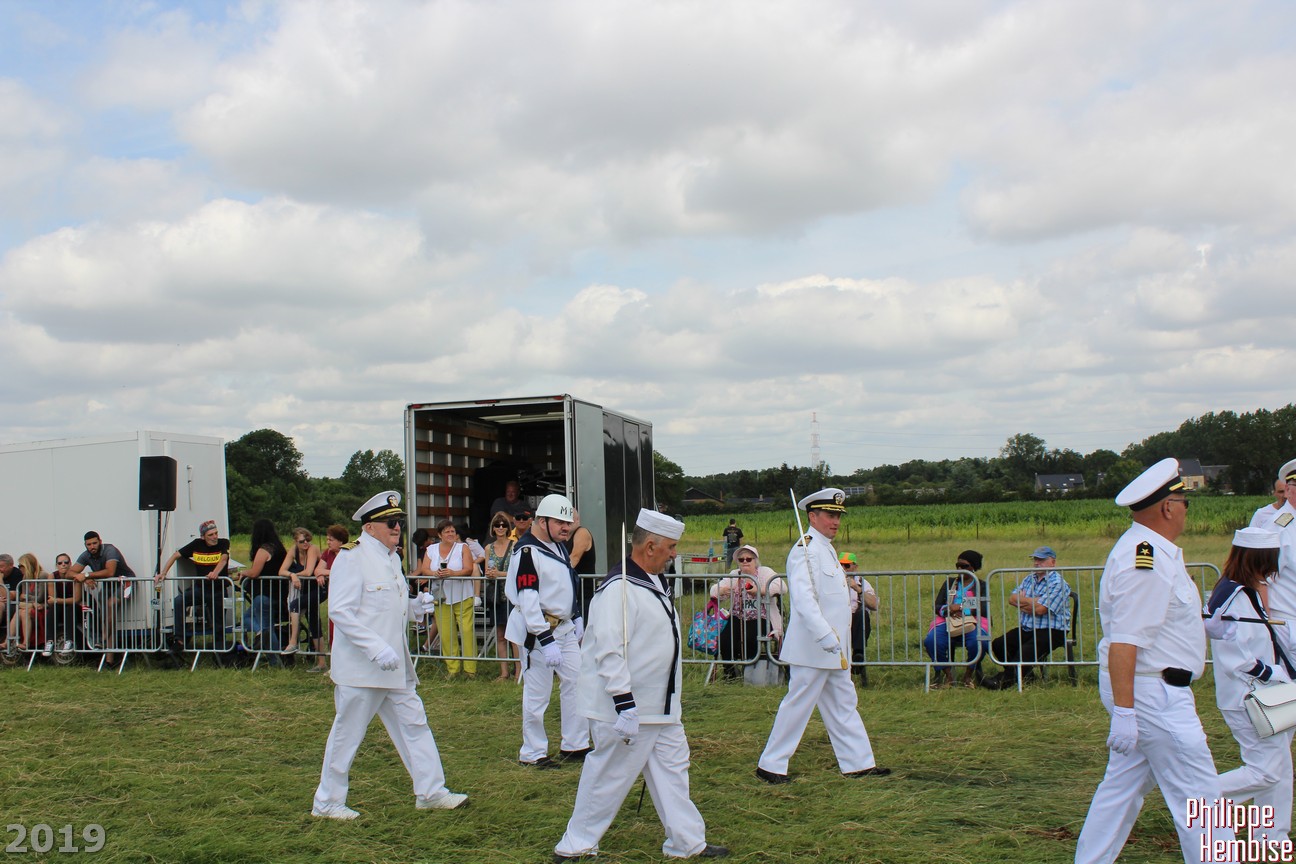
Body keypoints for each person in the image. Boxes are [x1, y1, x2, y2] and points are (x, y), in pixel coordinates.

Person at [1075, 458, 1234, 864]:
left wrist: (1204, 626)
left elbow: (1159, 620)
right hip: (1154, 694)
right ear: (1167, 507)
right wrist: (1125, 712)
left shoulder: (1150, 552)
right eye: (1184, 503)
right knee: (1201, 799)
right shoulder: (1144, 559)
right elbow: (1126, 642)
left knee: (1120, 792)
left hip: (1148, 689)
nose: (1185, 511)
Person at [554, 509, 728, 861]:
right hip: (628, 708)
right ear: (650, 546)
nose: (675, 553)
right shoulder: (618, 589)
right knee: (609, 775)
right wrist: (624, 704)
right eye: (671, 547)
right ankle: (575, 845)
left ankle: (686, 842)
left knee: (673, 772)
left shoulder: (652, 582)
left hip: (661, 706)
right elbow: (609, 650)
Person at [311, 490, 467, 819]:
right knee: (347, 734)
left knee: (415, 724)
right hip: (362, 668)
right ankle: (327, 802)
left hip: (395, 666)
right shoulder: (351, 558)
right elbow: (340, 611)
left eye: (398, 522)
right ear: (369, 528)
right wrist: (375, 647)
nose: (397, 528)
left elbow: (386, 606)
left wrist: (415, 608)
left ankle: (431, 792)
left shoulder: (392, 557)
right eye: (390, 523)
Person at [756, 489, 888, 783]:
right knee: (797, 705)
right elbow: (804, 601)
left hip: (835, 649)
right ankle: (771, 765)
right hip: (814, 648)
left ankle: (858, 763)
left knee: (843, 704)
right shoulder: (805, 550)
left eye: (838, 516)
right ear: (812, 517)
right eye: (830, 515)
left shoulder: (825, 549)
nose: (836, 521)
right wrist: (825, 637)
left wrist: (837, 643)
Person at [1206, 527, 1294, 844]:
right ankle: (1201, 797)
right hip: (1248, 696)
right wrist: (1275, 674)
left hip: (1265, 693)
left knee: (1280, 765)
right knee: (1265, 771)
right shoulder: (1233, 596)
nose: (1273, 570)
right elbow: (1236, 658)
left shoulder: (1245, 590)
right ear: (1259, 558)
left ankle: (1270, 837)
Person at [505, 494, 591, 767]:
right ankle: (533, 752)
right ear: (542, 522)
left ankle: (575, 744)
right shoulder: (527, 552)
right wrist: (544, 637)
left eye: (568, 522)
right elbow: (528, 598)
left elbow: (566, 583)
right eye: (560, 522)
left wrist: (576, 615)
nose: (567, 527)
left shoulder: (557, 546)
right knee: (537, 693)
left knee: (576, 683)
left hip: (563, 628)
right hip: (539, 633)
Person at [980, 546, 1072, 690]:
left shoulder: (1058, 583)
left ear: (1052, 562)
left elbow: (1041, 610)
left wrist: (1023, 602)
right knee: (999, 644)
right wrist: (1035, 601)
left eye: (1041, 560)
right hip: (1028, 627)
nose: (1036, 563)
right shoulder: (1029, 579)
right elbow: (1012, 599)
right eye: (1035, 559)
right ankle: (1025, 675)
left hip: (1052, 630)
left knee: (1026, 651)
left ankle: (1003, 681)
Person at [154, 519, 231, 654]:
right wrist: (163, 572)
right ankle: (179, 640)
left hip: (218, 590)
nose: (214, 537)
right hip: (201, 588)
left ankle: (220, 652)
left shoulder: (223, 542)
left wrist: (215, 572)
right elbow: (175, 555)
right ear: (202, 537)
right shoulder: (196, 544)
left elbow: (223, 559)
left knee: (218, 623)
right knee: (179, 601)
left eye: (216, 533)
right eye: (210, 535)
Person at [709, 544, 784, 681]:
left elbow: (781, 586)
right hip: (738, 616)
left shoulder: (764, 572)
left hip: (761, 616)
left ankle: (749, 673)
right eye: (741, 559)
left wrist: (760, 590)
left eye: (748, 559)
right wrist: (721, 590)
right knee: (725, 640)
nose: (745, 562)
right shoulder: (734, 575)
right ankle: (730, 674)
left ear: (755, 561)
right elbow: (714, 590)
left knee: (751, 638)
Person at [416, 520, 478, 678]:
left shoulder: (462, 547)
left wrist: (452, 573)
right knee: (446, 633)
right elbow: (424, 569)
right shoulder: (431, 549)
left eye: (452, 531)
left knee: (466, 631)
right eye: (447, 532)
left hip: (462, 595)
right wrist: (435, 573)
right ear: (439, 535)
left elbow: (468, 569)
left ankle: (470, 669)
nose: (450, 534)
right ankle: (453, 668)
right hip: (441, 596)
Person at [921, 551, 990, 689]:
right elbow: (937, 606)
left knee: (980, 642)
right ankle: (948, 675)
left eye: (964, 566)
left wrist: (960, 608)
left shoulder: (981, 585)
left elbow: (983, 608)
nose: (959, 569)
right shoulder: (949, 583)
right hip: (947, 620)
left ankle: (968, 675)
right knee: (932, 641)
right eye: (957, 565)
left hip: (973, 621)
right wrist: (949, 610)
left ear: (973, 567)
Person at [71, 531, 136, 664]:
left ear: (100, 541)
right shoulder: (86, 555)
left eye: (94, 543)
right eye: (89, 544)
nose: (92, 547)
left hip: (126, 582)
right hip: (108, 585)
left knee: (111, 604)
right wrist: (83, 578)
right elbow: (70, 572)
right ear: (85, 545)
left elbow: (110, 571)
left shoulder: (110, 550)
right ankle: (109, 661)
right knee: (107, 619)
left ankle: (104, 637)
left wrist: (87, 575)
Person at [237, 519, 289, 655]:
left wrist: (244, 572)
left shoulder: (264, 550)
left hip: (264, 593)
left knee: (265, 627)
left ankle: (274, 658)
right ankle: (262, 635)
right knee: (250, 620)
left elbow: (255, 572)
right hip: (279, 593)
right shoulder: (280, 549)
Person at [483, 512, 519, 681]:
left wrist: (499, 574)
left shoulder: (515, 546)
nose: (500, 527)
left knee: (514, 636)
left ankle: (519, 671)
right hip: (496, 596)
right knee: (500, 635)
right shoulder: (488, 548)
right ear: (493, 528)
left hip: (511, 596)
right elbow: (487, 571)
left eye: (504, 525)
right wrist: (491, 575)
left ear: (508, 528)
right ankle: (504, 672)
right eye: (497, 525)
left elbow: (517, 571)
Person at [281, 527, 323, 660]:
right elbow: (281, 570)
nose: (305, 543)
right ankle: (321, 662)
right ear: (295, 541)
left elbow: (309, 572)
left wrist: (295, 575)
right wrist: (292, 575)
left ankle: (293, 642)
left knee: (295, 605)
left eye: (307, 540)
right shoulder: (293, 550)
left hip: (320, 587)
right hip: (307, 589)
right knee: (314, 622)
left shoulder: (312, 549)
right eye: (301, 541)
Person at [840, 552, 878, 672]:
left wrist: (858, 589)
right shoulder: (831, 582)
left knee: (862, 613)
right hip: (838, 620)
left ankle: (858, 654)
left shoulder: (863, 582)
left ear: (855, 567)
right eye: (840, 565)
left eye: (847, 565)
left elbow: (874, 605)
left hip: (855, 622)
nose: (843, 568)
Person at [7, 553, 48, 651]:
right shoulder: (25, 577)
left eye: (21, 566)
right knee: (19, 611)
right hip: (31, 605)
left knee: (23, 611)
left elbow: (40, 597)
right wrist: (30, 600)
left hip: (42, 606)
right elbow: (22, 598)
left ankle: (26, 643)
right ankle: (7, 641)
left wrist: (26, 597)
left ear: (28, 565)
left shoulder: (42, 575)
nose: (19, 568)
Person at [41, 553, 81, 656]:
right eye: (60, 563)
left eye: (66, 562)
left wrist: (57, 600)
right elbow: (51, 599)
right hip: (60, 607)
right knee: (53, 608)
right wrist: (57, 600)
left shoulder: (76, 576)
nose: (63, 564)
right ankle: (49, 641)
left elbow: (76, 599)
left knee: (70, 608)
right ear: (56, 565)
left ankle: (69, 641)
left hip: (76, 608)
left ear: (70, 564)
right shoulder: (52, 576)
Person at [565, 508, 597, 622]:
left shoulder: (582, 532)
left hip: (584, 597)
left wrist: (555, 574)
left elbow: (574, 558)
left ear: (577, 520)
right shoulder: (562, 537)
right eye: (564, 521)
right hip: (569, 596)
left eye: (570, 521)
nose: (566, 524)